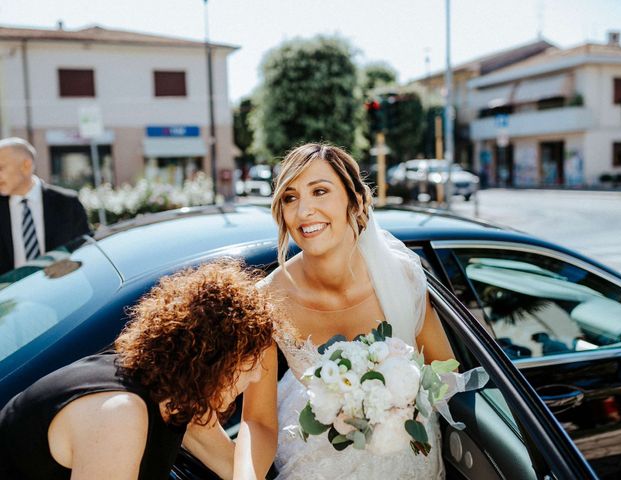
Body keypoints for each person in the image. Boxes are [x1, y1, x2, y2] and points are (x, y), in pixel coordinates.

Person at [241, 143, 456, 479]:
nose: (303, 211)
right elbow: (257, 420)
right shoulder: (268, 299)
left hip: (406, 461)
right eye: (290, 197)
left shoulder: (402, 276)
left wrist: (398, 403)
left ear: (354, 201)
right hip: (317, 467)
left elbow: (444, 374)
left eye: (320, 191)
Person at [0, 260, 274, 480]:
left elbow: (234, 470)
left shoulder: (178, 394)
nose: (258, 376)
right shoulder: (118, 414)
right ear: (214, 360)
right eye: (250, 364)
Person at [0, 137, 90, 275]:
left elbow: (84, 252)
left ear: (26, 166)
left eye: (1, 168)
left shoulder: (67, 203)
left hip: (61, 290)